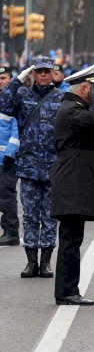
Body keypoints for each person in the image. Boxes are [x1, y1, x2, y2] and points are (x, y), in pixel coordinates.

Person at [0, 56, 64, 278]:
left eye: (47, 71)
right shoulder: (22, 95)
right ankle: (30, 262)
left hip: (53, 167)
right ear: (34, 74)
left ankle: (45, 262)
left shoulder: (62, 97)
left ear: (53, 72)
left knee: (49, 216)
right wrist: (17, 79)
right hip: (28, 166)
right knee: (29, 216)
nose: (44, 75)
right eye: (39, 72)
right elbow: (3, 103)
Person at [51, 65, 94, 306]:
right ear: (84, 87)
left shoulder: (74, 108)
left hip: (75, 184)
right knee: (70, 240)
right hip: (71, 185)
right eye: (92, 89)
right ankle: (66, 292)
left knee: (73, 239)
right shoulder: (71, 110)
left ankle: (69, 290)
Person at [0, 66, 20, 246]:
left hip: (6, 160)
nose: (0, 81)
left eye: (3, 78)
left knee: (6, 196)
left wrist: (10, 154)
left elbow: (17, 131)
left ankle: (11, 232)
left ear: (12, 80)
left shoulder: (14, 100)